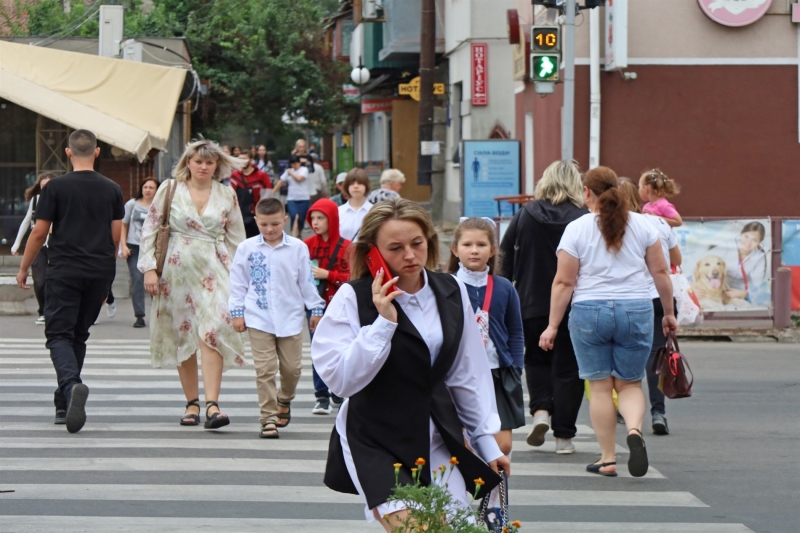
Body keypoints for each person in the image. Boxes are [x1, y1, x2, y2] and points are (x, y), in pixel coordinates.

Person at [312, 198, 510, 530]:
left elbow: (467, 373)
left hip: (436, 437)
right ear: (372, 252)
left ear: (430, 243)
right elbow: (340, 381)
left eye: (417, 244)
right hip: (376, 437)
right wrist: (383, 324)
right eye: (395, 248)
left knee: (453, 528)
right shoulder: (353, 297)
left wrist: (486, 442)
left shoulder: (451, 289)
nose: (409, 255)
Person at [539, 166, 678, 478]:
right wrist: (668, 313)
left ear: (587, 192)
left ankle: (608, 458)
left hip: (589, 311)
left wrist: (552, 325)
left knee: (600, 388)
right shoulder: (644, 226)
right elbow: (660, 273)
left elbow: (564, 282)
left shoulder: (577, 228)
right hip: (637, 309)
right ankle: (634, 431)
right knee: (629, 383)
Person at [15, 129, 125, 433]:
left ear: (67, 152)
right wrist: (108, 277)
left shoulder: (55, 188)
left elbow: (39, 232)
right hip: (98, 270)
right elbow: (115, 236)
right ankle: (63, 403)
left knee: (58, 336)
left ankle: (71, 384)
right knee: (78, 335)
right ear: (97, 152)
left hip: (64, 270)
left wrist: (24, 267)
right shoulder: (113, 188)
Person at [139, 139, 247, 430]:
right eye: (198, 161)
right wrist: (149, 269)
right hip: (176, 272)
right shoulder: (169, 189)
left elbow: (237, 239)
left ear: (217, 166)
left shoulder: (227, 194)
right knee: (182, 334)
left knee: (211, 330)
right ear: (188, 162)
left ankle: (213, 404)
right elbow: (149, 230)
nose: (203, 166)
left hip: (215, 267)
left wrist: (242, 282)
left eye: (209, 162)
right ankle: (192, 402)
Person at [499, 160, 587, 454]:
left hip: (530, 303)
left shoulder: (526, 214)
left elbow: (505, 255)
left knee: (535, 360)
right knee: (568, 370)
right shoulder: (582, 218)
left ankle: (540, 412)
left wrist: (504, 293)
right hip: (573, 304)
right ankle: (564, 437)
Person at [446, 216, 523, 525]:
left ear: (493, 250)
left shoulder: (504, 287)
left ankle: (494, 507)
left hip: (497, 374)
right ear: (455, 249)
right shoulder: (447, 285)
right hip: (459, 376)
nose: (474, 251)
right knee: (464, 443)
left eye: (481, 245)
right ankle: (459, 506)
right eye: (467, 245)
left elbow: (516, 331)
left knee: (502, 444)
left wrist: (515, 366)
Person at [229, 198, 325, 438]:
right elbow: (238, 284)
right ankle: (268, 418)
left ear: (284, 220)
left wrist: (316, 309)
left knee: (292, 369)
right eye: (264, 224)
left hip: (290, 317)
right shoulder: (247, 248)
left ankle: (285, 399)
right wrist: (237, 313)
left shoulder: (297, 248)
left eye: (274, 224)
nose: (269, 230)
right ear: (256, 220)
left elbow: (306, 281)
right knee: (265, 369)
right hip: (258, 317)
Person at [619, 178, 681, 435]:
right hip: (659, 296)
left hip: (628, 297)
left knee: (622, 353)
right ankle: (659, 412)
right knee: (657, 355)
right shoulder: (658, 223)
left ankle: (623, 409)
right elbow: (676, 259)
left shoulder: (614, 225)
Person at [303, 198, 352, 415]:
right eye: (312, 218)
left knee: (340, 349)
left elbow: (352, 277)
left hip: (340, 306)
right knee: (317, 349)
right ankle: (321, 395)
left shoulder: (347, 247)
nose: (315, 222)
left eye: (320, 218)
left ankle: (338, 391)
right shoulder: (306, 245)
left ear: (332, 219)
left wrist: (329, 275)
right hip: (315, 307)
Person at [11, 171, 60, 325]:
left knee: (56, 279)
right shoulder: (35, 200)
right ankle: (43, 311)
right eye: (42, 186)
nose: (45, 189)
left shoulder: (62, 199)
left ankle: (54, 310)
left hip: (56, 244)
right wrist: (17, 244)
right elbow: (26, 222)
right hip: (38, 245)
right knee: (39, 280)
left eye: (48, 186)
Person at [120, 177, 158, 328]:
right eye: (145, 187)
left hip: (154, 248)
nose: (148, 190)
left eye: (151, 187)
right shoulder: (131, 204)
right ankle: (140, 315)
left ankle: (158, 315)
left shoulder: (159, 206)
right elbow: (123, 225)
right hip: (134, 247)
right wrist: (123, 245)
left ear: (157, 190)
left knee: (156, 282)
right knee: (137, 280)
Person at [230, 155, 273, 238]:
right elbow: (229, 193)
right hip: (238, 213)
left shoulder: (261, 175)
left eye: (245, 159)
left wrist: (263, 210)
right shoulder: (234, 175)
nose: (242, 161)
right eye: (240, 159)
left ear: (251, 160)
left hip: (255, 213)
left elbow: (268, 193)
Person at [275, 155, 310, 235]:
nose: (295, 165)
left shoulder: (304, 170)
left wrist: (291, 172)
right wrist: (272, 191)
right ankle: (293, 234)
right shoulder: (288, 171)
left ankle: (300, 232)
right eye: (293, 163)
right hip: (292, 198)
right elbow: (281, 181)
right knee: (294, 215)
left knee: (301, 218)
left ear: (299, 163)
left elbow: (299, 179)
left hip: (304, 198)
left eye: (296, 163)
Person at [338, 168, 372, 241]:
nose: (356, 186)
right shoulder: (338, 212)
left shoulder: (373, 211)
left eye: (360, 183)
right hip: (344, 251)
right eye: (351, 184)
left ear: (366, 186)